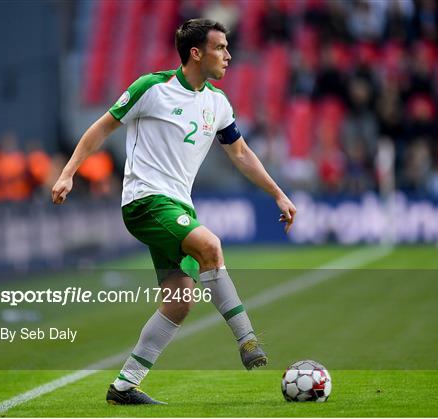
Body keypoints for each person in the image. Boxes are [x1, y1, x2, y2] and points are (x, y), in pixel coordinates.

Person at [52, 19, 296, 405]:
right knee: (210, 245)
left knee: (180, 300)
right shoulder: (152, 88)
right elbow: (101, 128)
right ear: (196, 53)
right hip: (145, 201)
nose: (229, 56)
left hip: (177, 205)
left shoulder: (217, 103)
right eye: (220, 48)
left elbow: (242, 154)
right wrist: (68, 173)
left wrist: (278, 194)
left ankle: (124, 387)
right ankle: (247, 339)